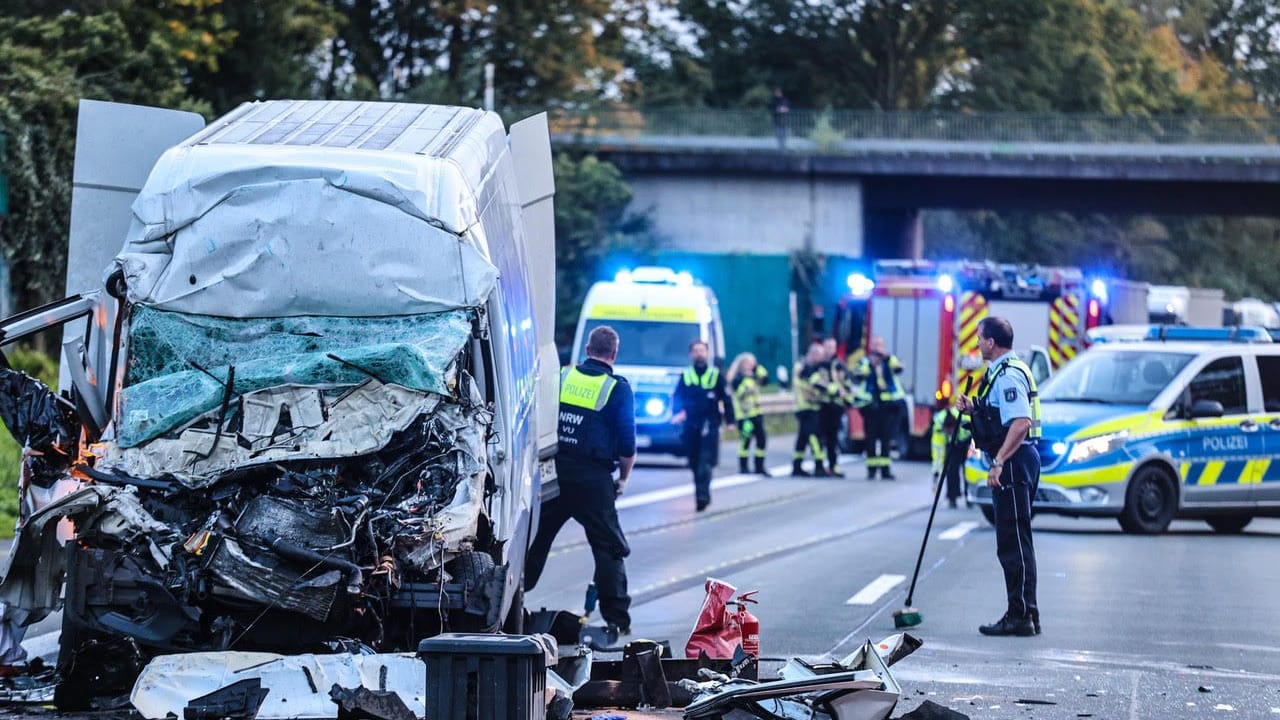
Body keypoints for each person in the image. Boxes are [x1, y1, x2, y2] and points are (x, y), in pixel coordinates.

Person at [524, 326, 636, 637]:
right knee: (609, 546)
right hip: (594, 479)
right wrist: (623, 480)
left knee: (534, 539)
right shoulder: (617, 389)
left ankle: (514, 597)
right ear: (613, 354)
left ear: (587, 349)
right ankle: (617, 620)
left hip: (554, 473)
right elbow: (627, 445)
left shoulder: (562, 376)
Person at [955, 316, 1043, 637]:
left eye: (980, 338)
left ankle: (1019, 615)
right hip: (1017, 460)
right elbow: (1001, 415)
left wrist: (999, 462)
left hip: (1014, 462)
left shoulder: (1007, 376)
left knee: (1013, 542)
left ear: (992, 341)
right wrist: (974, 408)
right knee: (1016, 539)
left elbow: (1020, 423)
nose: (977, 343)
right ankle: (1027, 613)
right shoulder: (1004, 373)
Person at [671, 340, 735, 511]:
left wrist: (730, 421)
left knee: (705, 462)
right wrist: (676, 413)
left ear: (707, 353)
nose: (699, 354)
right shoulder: (686, 375)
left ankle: (702, 496)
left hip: (710, 424)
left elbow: (727, 399)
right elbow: (677, 397)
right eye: (695, 351)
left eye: (702, 350)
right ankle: (701, 493)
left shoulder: (716, 375)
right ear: (691, 354)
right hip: (691, 425)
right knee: (694, 462)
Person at [851, 337, 907, 480]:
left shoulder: (890, 360)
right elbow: (857, 374)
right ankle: (871, 469)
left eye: (880, 346)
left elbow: (899, 368)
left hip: (888, 405)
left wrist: (887, 359)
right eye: (875, 346)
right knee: (870, 438)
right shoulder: (865, 361)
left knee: (886, 439)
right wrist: (870, 365)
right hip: (870, 406)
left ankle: (885, 469)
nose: (878, 349)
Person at [790, 341, 830, 477]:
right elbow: (818, 384)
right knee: (814, 437)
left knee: (802, 438)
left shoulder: (810, 367)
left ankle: (796, 466)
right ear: (813, 354)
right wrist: (832, 389)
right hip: (806, 408)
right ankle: (819, 466)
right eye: (820, 356)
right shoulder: (804, 367)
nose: (821, 359)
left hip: (810, 407)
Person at [728, 352, 770, 475]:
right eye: (748, 363)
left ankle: (759, 466)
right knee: (745, 440)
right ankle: (743, 467)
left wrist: (757, 368)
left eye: (752, 363)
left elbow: (765, 378)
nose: (750, 366)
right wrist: (747, 387)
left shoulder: (754, 376)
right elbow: (738, 393)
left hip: (756, 413)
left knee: (762, 439)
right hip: (744, 416)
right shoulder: (738, 378)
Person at [819, 337, 853, 477]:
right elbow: (816, 381)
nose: (830, 350)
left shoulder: (839, 365)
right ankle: (819, 466)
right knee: (820, 438)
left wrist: (847, 397)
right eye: (827, 347)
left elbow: (847, 383)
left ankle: (833, 465)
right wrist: (834, 389)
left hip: (836, 407)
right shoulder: (820, 364)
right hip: (821, 405)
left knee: (833, 439)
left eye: (832, 347)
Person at [931, 403, 971, 509]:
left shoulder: (965, 422)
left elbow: (975, 438)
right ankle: (952, 497)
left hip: (966, 443)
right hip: (952, 446)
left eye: (951, 432)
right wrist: (936, 473)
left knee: (969, 470)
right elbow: (938, 453)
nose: (949, 433)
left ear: (955, 426)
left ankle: (969, 496)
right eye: (947, 432)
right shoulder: (938, 427)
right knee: (951, 469)